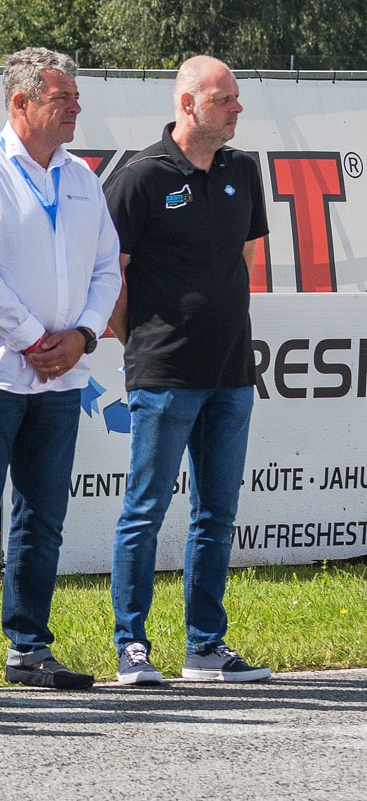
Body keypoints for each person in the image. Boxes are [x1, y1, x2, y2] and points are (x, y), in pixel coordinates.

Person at [0, 47, 120, 694]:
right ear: (21, 102)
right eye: (62, 98)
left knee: (42, 516)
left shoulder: (82, 177)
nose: (75, 109)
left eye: (76, 98)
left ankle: (29, 649)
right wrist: (37, 339)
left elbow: (107, 268)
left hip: (60, 376)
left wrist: (82, 337)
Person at [102, 56, 273, 685]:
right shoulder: (141, 176)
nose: (236, 108)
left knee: (216, 514)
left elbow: (246, 256)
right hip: (165, 374)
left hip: (232, 370)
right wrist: (143, 342)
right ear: (188, 103)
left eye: (235, 98)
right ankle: (132, 645)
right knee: (144, 510)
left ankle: (205, 646)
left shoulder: (243, 169)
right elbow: (109, 274)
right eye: (224, 98)